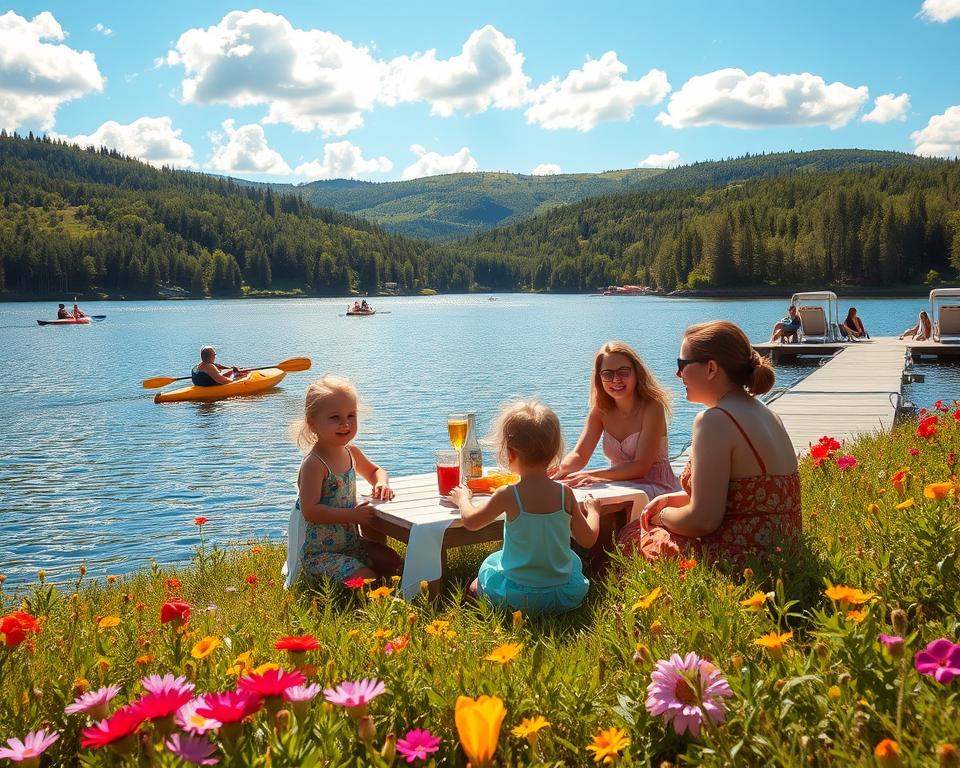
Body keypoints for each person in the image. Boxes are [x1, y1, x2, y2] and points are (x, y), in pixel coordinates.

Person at [618, 321, 801, 567]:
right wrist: (672, 499)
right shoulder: (766, 413)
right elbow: (744, 499)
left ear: (711, 368)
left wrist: (660, 517)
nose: (678, 374)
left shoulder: (715, 420)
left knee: (632, 535)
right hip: (784, 552)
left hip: (746, 561)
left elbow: (703, 520)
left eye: (682, 365)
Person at [449, 400, 600, 614]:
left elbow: (471, 522)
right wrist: (593, 512)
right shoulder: (565, 494)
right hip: (560, 594)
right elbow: (588, 539)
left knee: (480, 579)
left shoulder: (509, 495)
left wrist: (463, 499)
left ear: (510, 453)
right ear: (555, 450)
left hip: (517, 598)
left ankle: (478, 604)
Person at [291, 375, 402, 584]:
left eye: (351, 415)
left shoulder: (350, 452)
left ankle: (385, 586)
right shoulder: (314, 464)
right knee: (366, 579)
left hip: (352, 546)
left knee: (392, 560)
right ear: (313, 424)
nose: (345, 423)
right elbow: (311, 511)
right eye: (335, 417)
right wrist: (353, 515)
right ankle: (375, 600)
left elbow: (375, 471)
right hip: (322, 554)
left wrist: (381, 483)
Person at [550, 341, 681, 499]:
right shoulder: (600, 411)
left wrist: (591, 475)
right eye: (607, 373)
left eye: (623, 371)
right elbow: (580, 454)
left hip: (656, 488)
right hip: (619, 486)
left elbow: (641, 467)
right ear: (599, 378)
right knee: (567, 491)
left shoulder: (653, 408)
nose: (616, 379)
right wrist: (557, 471)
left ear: (636, 373)